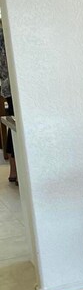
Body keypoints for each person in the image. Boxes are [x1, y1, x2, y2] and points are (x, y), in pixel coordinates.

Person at [0, 20, 17, 184]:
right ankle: (14, 170)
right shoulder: (6, 36)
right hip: (14, 88)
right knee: (15, 128)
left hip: (8, 88)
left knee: (13, 127)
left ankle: (13, 170)